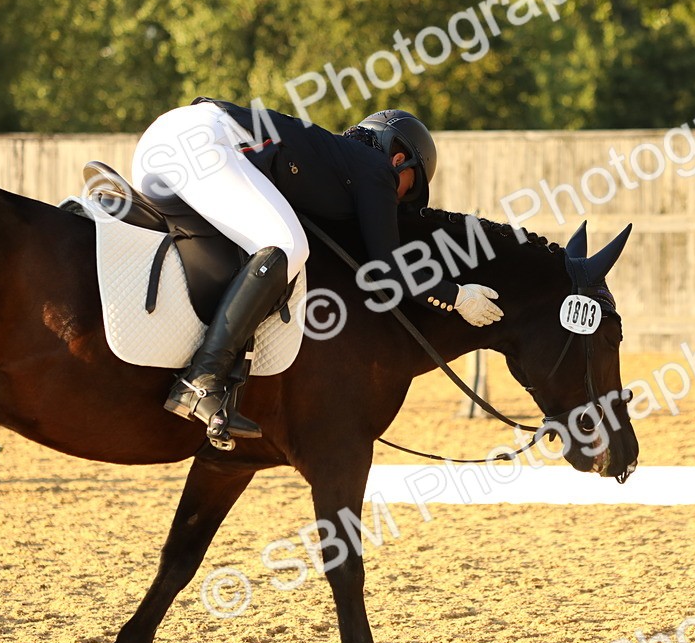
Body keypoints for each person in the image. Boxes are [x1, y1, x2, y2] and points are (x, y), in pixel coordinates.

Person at [130, 97, 504, 440]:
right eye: (409, 188)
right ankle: (201, 378)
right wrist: (456, 297)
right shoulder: (376, 170)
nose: (400, 198)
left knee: (265, 245)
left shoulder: (334, 164)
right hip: (199, 142)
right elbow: (387, 268)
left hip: (161, 146)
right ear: (398, 160)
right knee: (287, 246)